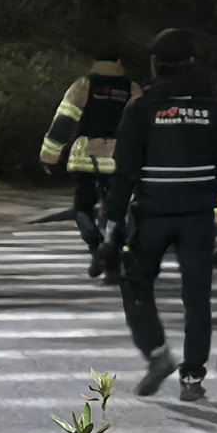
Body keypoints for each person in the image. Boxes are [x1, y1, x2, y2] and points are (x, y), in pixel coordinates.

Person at [98, 29, 217, 402]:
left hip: (152, 214)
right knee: (197, 298)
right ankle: (192, 379)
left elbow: (125, 170)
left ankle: (157, 352)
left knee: (135, 283)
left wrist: (112, 225)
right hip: (197, 215)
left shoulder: (142, 109)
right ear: (192, 63)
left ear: (155, 65)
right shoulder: (215, 108)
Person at [40, 48, 141, 282]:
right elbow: (140, 126)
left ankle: (96, 247)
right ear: (119, 61)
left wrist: (49, 156)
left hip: (87, 156)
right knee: (115, 209)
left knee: (82, 207)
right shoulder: (132, 88)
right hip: (120, 157)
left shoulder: (84, 84)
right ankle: (112, 253)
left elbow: (64, 121)